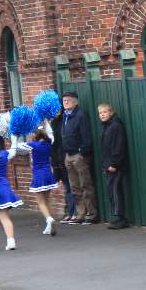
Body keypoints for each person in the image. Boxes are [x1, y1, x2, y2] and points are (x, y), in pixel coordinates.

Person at [60, 92, 97, 224]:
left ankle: (91, 214)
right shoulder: (65, 116)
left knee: (85, 185)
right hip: (68, 155)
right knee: (74, 186)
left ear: (75, 101)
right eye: (64, 100)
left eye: (68, 100)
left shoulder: (80, 115)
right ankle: (80, 213)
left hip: (79, 155)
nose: (65, 102)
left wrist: (82, 151)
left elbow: (86, 135)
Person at [97, 103, 130, 229]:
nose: (102, 115)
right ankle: (118, 217)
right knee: (111, 190)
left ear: (111, 112)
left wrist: (114, 164)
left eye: (105, 112)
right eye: (100, 113)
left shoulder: (115, 126)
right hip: (108, 165)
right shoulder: (107, 126)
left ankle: (121, 218)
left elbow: (118, 146)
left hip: (115, 165)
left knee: (115, 191)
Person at [27, 123, 59, 236]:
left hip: (38, 175)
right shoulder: (48, 143)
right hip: (48, 174)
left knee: (40, 202)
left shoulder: (33, 145)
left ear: (34, 136)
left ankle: (49, 219)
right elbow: (51, 134)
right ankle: (50, 226)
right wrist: (46, 122)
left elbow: (18, 147)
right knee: (46, 200)